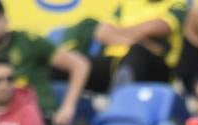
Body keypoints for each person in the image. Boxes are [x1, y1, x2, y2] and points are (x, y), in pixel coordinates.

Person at [0, 0, 89, 125]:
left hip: (40, 117)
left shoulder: (28, 42)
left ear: (6, 20)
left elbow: (79, 65)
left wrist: (68, 107)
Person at [59, 0, 187, 93]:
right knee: (66, 65)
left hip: (156, 67)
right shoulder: (128, 3)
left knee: (137, 52)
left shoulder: (177, 4)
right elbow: (102, 32)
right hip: (114, 61)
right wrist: (144, 42)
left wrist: (119, 31)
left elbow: (158, 27)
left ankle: (121, 101)